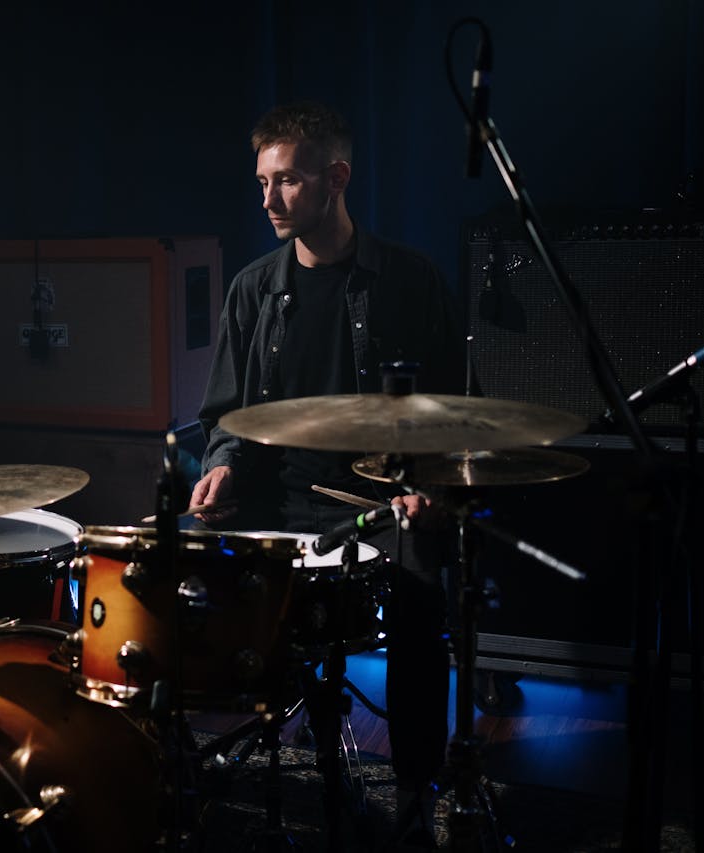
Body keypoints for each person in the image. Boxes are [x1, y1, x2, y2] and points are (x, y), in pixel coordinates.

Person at [188, 100, 474, 850]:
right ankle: (187, 765)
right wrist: (219, 465)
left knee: (421, 588)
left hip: (381, 507)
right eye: (262, 182)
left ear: (336, 178)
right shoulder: (253, 290)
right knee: (175, 575)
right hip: (274, 503)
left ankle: (415, 782)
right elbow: (223, 413)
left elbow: (459, 413)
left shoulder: (410, 283)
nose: (268, 199)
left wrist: (433, 489)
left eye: (285, 181)